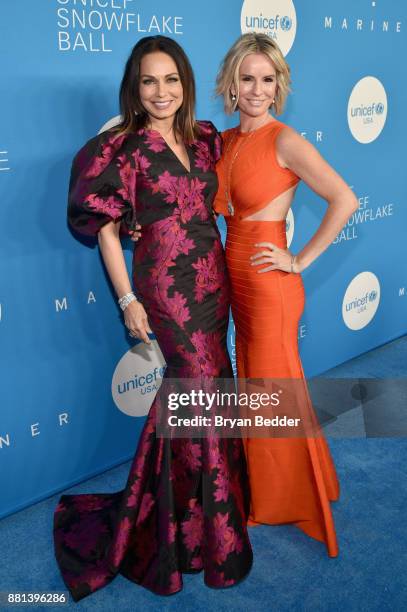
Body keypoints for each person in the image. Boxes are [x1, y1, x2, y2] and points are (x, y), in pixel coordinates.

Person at [53, 35, 253, 602]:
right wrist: (127, 300)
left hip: (213, 277)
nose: (161, 91)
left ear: (185, 84)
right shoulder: (121, 148)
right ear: (134, 87)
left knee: (205, 391)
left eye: (171, 79)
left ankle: (186, 518)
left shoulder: (204, 138)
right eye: (149, 80)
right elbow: (109, 230)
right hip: (165, 285)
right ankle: (208, 536)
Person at [213, 33, 359, 558]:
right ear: (232, 82)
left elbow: (344, 198)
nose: (257, 89)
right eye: (247, 78)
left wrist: (297, 259)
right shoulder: (225, 142)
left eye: (267, 79)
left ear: (279, 86)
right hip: (237, 282)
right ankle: (296, 481)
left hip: (271, 287)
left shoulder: (285, 140)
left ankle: (284, 500)